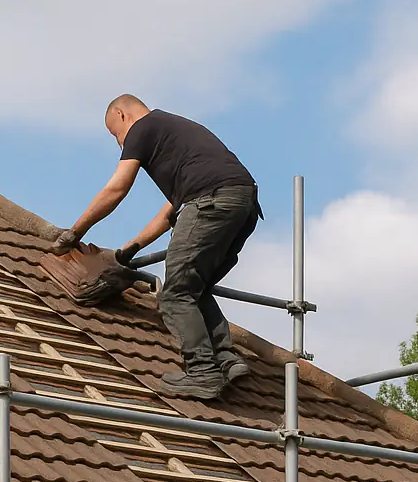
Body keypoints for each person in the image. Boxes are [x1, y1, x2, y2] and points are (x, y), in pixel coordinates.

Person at [52, 94, 262, 400]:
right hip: (241, 204)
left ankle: (202, 372)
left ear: (122, 115)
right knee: (194, 286)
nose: (120, 143)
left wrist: (75, 231)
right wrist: (126, 253)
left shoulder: (143, 127)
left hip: (210, 202)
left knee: (175, 294)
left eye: (116, 134)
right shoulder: (177, 136)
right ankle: (225, 359)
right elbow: (169, 214)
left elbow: (117, 188)